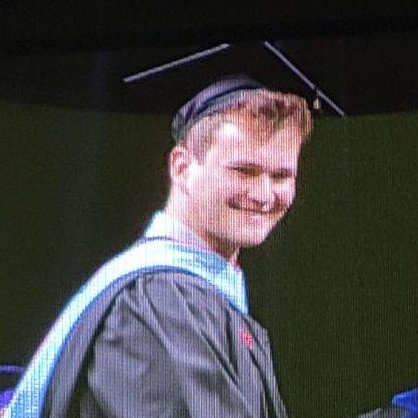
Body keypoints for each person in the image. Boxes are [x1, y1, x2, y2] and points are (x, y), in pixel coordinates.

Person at [4, 75, 313, 418]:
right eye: (244, 171)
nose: (263, 194)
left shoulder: (190, 294)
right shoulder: (158, 300)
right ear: (182, 168)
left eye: (281, 176)